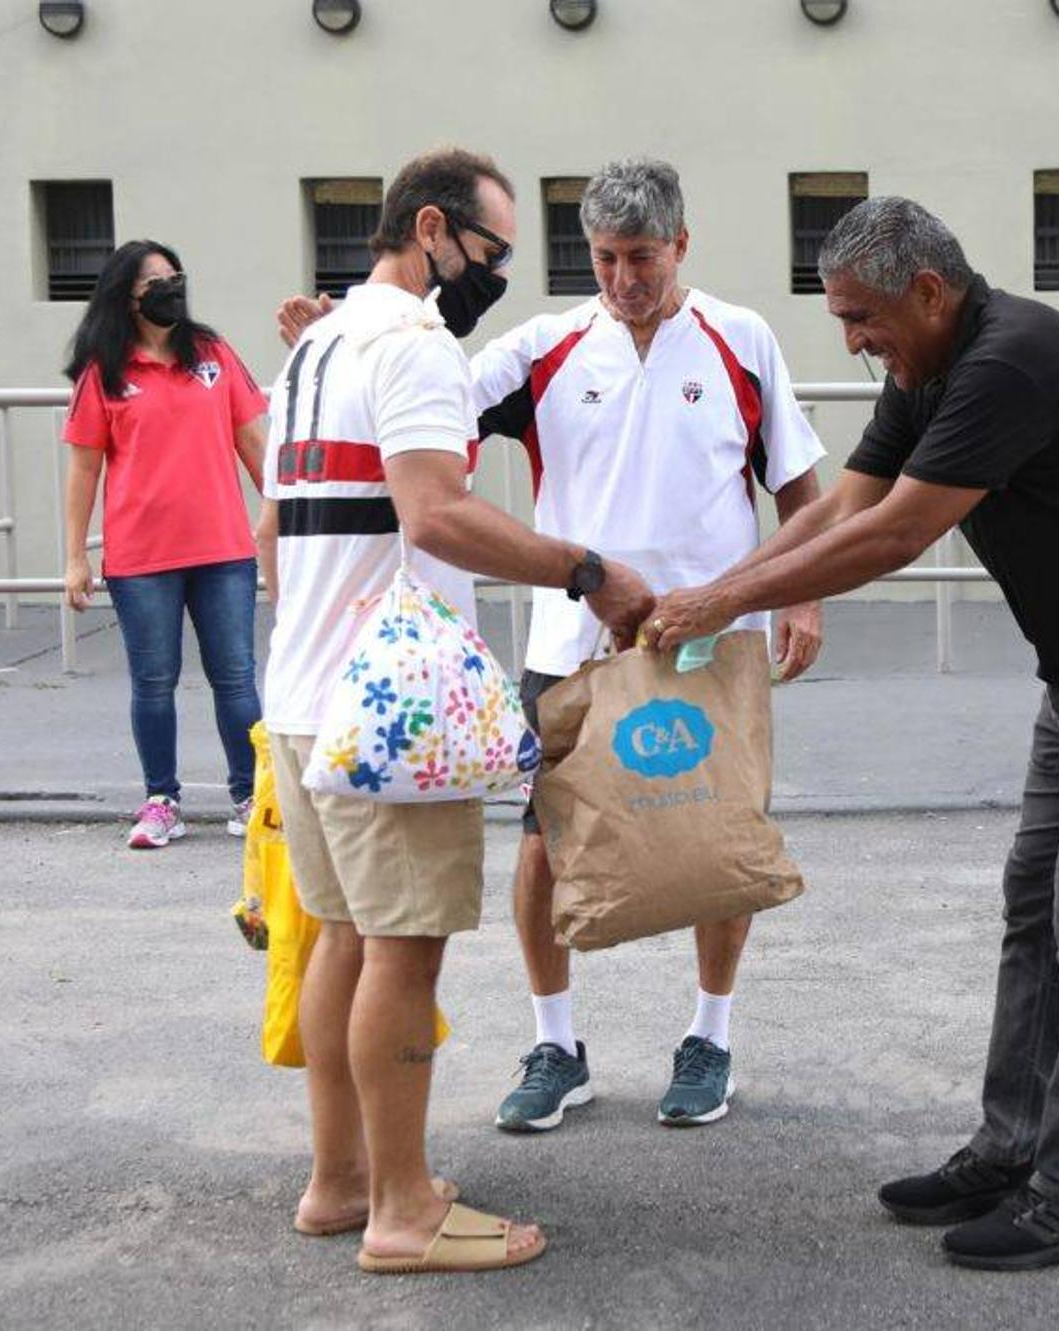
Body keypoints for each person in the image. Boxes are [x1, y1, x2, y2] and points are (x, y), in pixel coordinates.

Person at [642, 196, 1059, 1271]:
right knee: (1036, 908)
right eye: (840, 320)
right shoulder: (923, 371)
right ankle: (1014, 1149)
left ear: (928, 291)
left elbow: (899, 535)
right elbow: (843, 505)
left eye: (863, 317)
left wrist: (714, 604)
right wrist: (724, 590)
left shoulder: (1009, 363)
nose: (854, 341)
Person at [281, 157, 827, 1134]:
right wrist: (342, 343)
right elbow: (427, 406)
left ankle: (710, 1033)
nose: (624, 278)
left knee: (718, 838)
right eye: (607, 257)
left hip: (709, 634)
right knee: (543, 843)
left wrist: (803, 599)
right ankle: (556, 1041)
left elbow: (798, 487)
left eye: (644, 257)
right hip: (571, 639)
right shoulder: (542, 347)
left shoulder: (742, 340)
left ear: (682, 245)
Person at [257, 147, 654, 1275]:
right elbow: (436, 514)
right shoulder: (417, 346)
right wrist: (587, 570)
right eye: (487, 251)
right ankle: (402, 1211)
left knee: (343, 934)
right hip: (393, 712)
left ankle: (342, 1182)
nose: (493, 275)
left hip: (303, 690)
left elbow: (283, 528)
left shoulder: (315, 346)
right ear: (429, 228)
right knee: (404, 950)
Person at [62, 240, 268, 850]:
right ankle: (161, 801)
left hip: (223, 551)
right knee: (153, 682)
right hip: (141, 558)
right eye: (155, 281)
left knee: (235, 676)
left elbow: (254, 442)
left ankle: (250, 795)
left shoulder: (211, 354)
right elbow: (83, 470)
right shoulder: (105, 370)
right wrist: (75, 556)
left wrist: (282, 519)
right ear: (126, 295)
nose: (169, 288)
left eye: (174, 277)